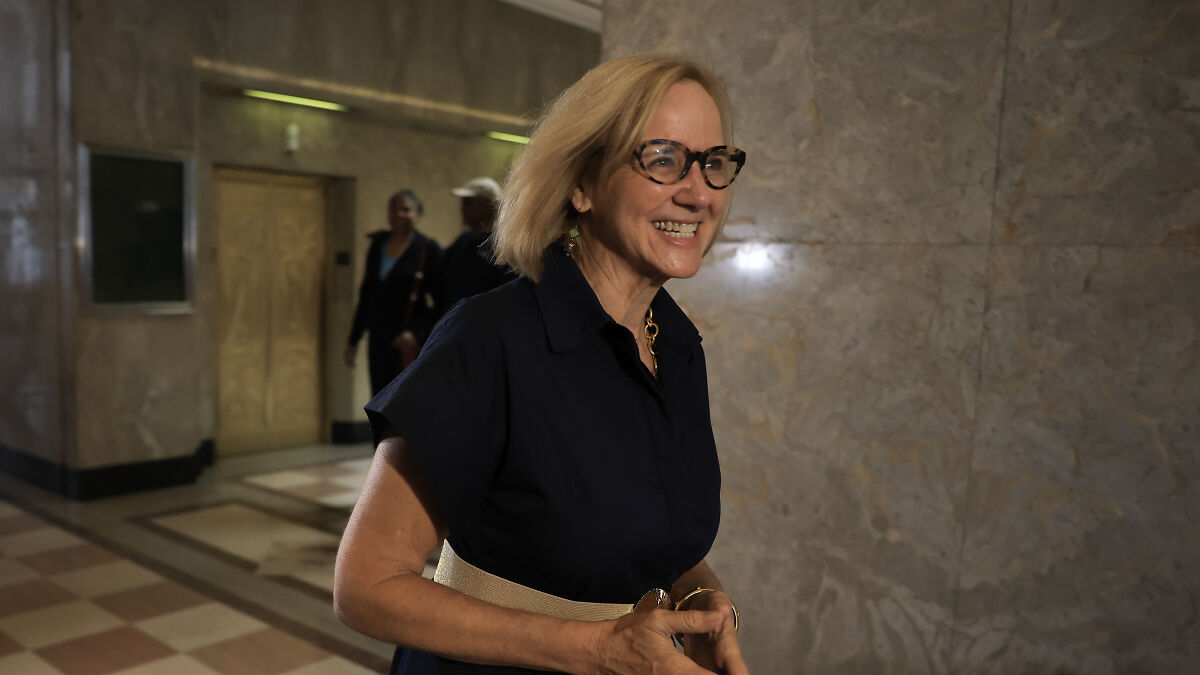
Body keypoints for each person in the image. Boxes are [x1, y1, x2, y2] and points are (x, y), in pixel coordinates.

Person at [334, 54, 749, 675]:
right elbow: (365, 587)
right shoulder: (490, 338)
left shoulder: (678, 346)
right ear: (581, 183)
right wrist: (599, 649)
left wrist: (698, 601)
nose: (697, 192)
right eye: (662, 158)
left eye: (713, 163)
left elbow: (650, 535)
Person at [344, 189, 444, 395]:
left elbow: (442, 302)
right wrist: (354, 339)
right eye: (394, 210)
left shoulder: (428, 249)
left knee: (405, 401)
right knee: (379, 399)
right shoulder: (378, 245)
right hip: (378, 340)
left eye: (406, 210)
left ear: (417, 214)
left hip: (406, 343)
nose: (400, 215)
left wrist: (416, 334)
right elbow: (367, 294)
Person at [441, 177, 518, 309]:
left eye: (468, 203)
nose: (462, 209)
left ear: (487, 204)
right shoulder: (463, 240)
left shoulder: (503, 245)